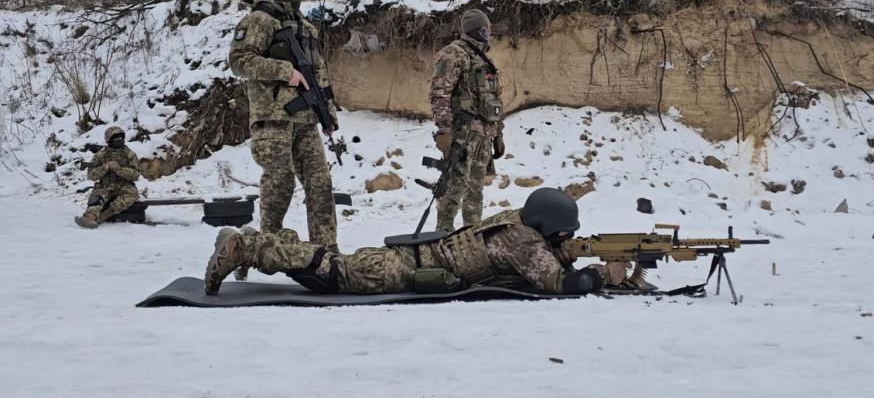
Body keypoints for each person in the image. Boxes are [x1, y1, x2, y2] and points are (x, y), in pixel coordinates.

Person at [204, 187, 632, 296]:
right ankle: (248, 248)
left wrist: (570, 253)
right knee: (331, 273)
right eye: (562, 234)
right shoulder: (524, 244)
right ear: (546, 227)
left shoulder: (517, 222)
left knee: (335, 262)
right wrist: (601, 274)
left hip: (415, 255)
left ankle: (260, 242)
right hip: (406, 268)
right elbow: (557, 283)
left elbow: (545, 257)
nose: (564, 240)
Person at [229, 0, 339, 252]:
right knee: (280, 181)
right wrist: (282, 70)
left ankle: (326, 251)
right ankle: (265, 247)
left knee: (320, 184)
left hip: (306, 119)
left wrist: (327, 114)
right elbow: (239, 61)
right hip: (273, 118)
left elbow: (319, 75)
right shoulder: (259, 20)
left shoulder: (306, 26)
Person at [429, 8, 505, 232]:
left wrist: (498, 134)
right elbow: (439, 93)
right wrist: (444, 130)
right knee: (454, 187)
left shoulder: (484, 59)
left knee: (475, 189)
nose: (489, 32)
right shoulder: (453, 54)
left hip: (483, 134)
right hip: (462, 133)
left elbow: (494, 98)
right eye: (486, 28)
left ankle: (473, 235)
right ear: (477, 30)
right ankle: (442, 235)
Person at [74, 127, 140, 229]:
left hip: (124, 185)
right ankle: (89, 218)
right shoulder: (100, 155)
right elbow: (91, 176)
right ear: (109, 139)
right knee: (96, 198)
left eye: (121, 138)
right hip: (105, 185)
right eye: (115, 138)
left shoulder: (129, 154)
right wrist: (106, 167)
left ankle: (103, 217)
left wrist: (119, 169)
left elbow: (136, 175)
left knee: (132, 195)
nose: (119, 140)